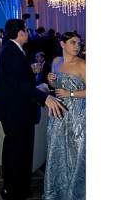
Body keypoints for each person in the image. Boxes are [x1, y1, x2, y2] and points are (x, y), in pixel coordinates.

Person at [0, 19, 66, 200]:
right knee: (19, 152)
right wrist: (44, 97)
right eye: (26, 31)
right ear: (20, 33)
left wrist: (30, 72)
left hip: (14, 111)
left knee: (14, 150)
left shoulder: (10, 49)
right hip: (16, 112)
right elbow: (18, 84)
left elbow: (16, 78)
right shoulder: (12, 52)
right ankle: (14, 191)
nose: (27, 33)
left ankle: (12, 188)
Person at [43, 32, 86, 200]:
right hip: (58, 114)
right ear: (62, 44)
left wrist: (72, 93)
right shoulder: (55, 62)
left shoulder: (82, 64)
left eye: (79, 43)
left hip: (77, 117)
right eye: (73, 42)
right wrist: (51, 79)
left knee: (76, 154)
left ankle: (75, 194)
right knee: (57, 152)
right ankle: (57, 192)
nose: (77, 46)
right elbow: (56, 87)